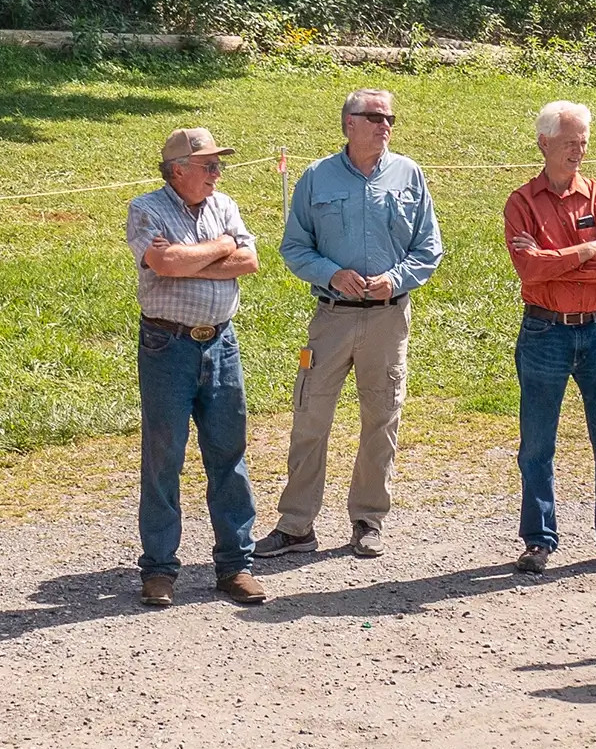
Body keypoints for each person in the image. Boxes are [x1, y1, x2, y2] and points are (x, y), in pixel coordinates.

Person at [259, 87, 445, 560]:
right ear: (349, 123)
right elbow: (294, 248)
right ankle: (297, 526)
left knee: (382, 420)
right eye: (375, 116)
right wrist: (331, 274)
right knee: (310, 418)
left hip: (388, 319)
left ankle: (368, 521)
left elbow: (429, 247)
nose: (386, 125)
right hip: (330, 319)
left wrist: (397, 279)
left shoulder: (409, 174)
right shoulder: (317, 177)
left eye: (390, 118)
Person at [128, 128, 270, 610]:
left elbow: (250, 262)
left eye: (217, 165)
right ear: (177, 170)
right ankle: (160, 569)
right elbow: (163, 263)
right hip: (167, 343)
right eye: (207, 165)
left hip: (221, 342)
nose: (216, 173)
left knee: (229, 452)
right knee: (164, 455)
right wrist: (219, 248)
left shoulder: (224, 204)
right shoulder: (146, 208)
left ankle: (236, 565)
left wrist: (194, 259)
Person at [504, 99, 596, 575]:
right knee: (537, 444)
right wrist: (585, 250)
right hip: (545, 332)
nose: (578, 150)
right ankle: (538, 541)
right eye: (569, 142)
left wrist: (555, 256)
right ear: (543, 143)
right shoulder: (521, 202)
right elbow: (526, 268)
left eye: (583, 141)